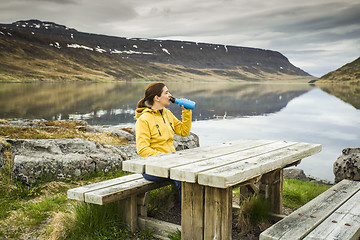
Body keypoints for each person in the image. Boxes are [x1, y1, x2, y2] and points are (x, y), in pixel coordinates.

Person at [135, 82, 192, 203]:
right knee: (183, 178)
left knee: (193, 175)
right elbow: (142, 149)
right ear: (157, 98)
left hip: (171, 163)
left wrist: (186, 112)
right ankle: (187, 218)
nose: (170, 95)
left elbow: (184, 131)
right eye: (166, 92)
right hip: (152, 168)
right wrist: (165, 158)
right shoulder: (143, 120)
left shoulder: (167, 113)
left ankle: (197, 211)